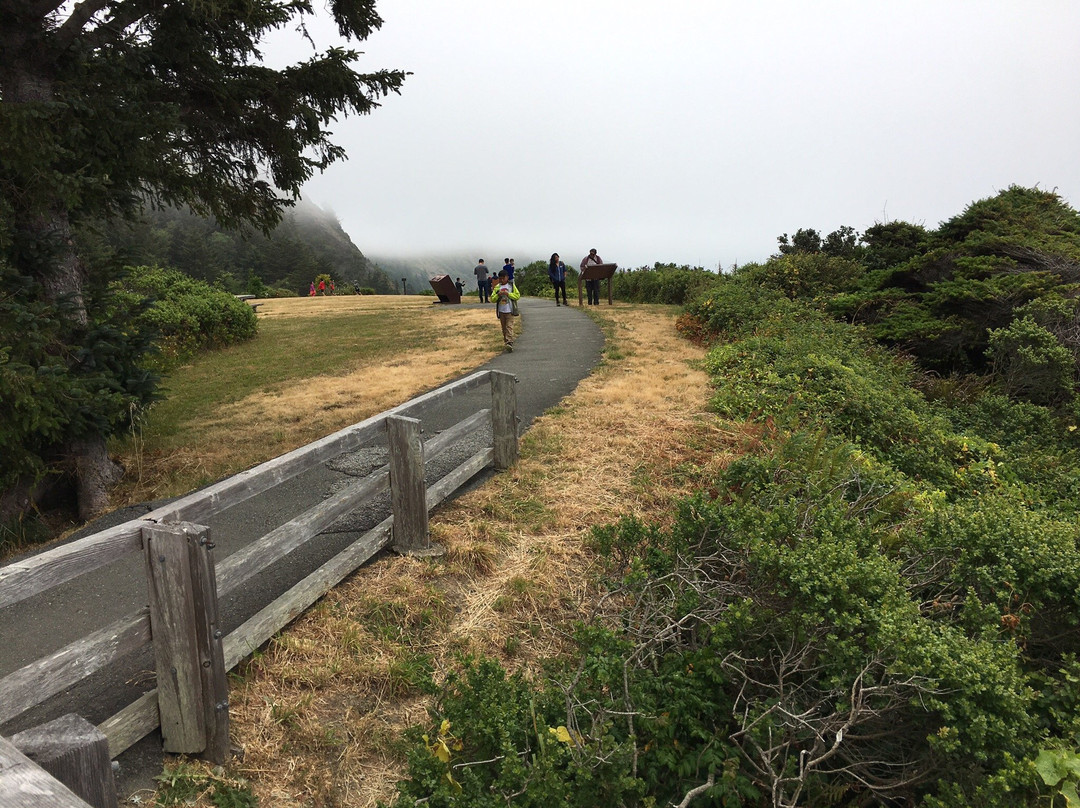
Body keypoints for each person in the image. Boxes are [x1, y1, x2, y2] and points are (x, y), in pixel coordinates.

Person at [494, 269, 520, 351]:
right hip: (501, 311)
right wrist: (498, 295)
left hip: (510, 310)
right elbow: (492, 298)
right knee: (504, 328)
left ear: (507, 277)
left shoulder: (511, 286)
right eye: (500, 278)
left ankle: (509, 342)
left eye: (503, 278)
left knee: (509, 326)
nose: (501, 280)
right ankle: (506, 341)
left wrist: (508, 294)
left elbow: (517, 296)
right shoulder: (497, 287)